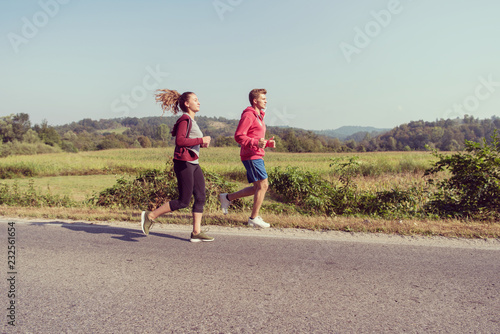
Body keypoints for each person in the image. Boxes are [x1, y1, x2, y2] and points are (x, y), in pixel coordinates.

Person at [141, 89, 214, 242]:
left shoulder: (192, 121)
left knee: (200, 197)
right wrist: (201, 140)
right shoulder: (184, 120)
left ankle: (196, 232)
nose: (199, 102)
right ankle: (150, 215)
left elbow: (189, 142)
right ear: (187, 104)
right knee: (184, 201)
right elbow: (180, 141)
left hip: (193, 163)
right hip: (184, 163)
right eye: (195, 99)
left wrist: (201, 144)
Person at [219, 88, 275, 228]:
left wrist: (267, 143)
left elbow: (255, 137)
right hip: (251, 155)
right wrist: (256, 143)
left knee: (257, 187)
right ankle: (253, 218)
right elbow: (239, 136)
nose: (266, 101)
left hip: (255, 154)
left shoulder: (259, 116)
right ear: (255, 101)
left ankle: (227, 198)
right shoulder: (249, 115)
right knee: (263, 185)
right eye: (263, 98)